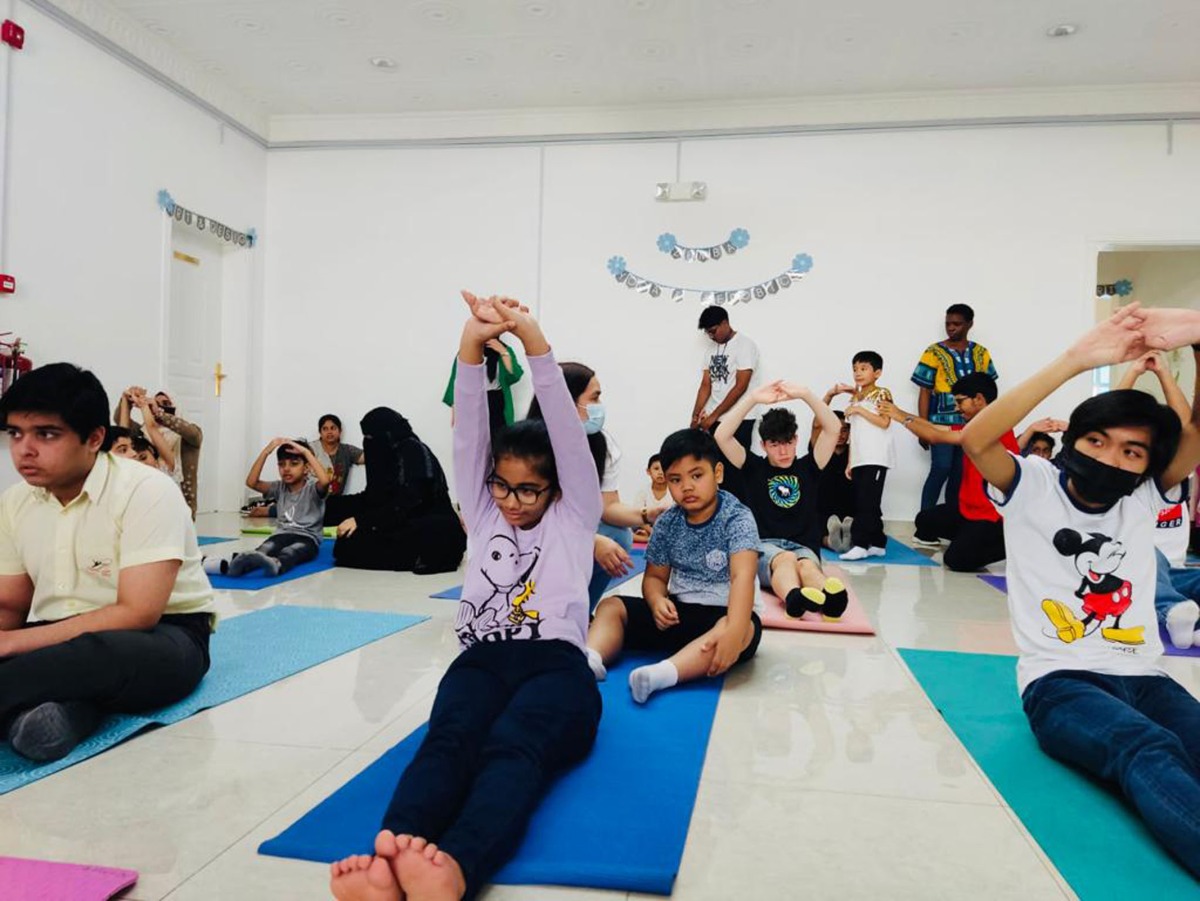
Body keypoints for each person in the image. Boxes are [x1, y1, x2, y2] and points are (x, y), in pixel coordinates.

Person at [327, 293, 601, 901]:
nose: (512, 501)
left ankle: (455, 866)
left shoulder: (575, 513)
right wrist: (469, 346)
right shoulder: (482, 512)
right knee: (449, 740)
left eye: (530, 491)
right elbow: (472, 434)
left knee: (512, 745)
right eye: (503, 486)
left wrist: (533, 341)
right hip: (482, 658)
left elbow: (562, 423)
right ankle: (393, 855)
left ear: (557, 487)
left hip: (557, 666)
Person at [960, 302, 1200, 878]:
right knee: (1146, 749)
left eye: (1131, 452)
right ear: (1076, 438)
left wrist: (1194, 346)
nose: (1110, 458)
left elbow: (1193, 433)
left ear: (1146, 466)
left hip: (1146, 677)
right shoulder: (1032, 485)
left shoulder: (1144, 495)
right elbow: (976, 438)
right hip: (1060, 683)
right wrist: (1076, 359)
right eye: (1097, 440)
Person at [0, 364, 214, 762]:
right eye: (15, 433)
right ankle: (55, 718)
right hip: (54, 637)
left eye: (46, 434)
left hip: (164, 637)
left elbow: (138, 613)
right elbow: (10, 605)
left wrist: (14, 643)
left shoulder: (147, 489)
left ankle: (34, 698)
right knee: (66, 665)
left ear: (94, 438)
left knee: (95, 656)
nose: (24, 450)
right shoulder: (15, 502)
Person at [587, 428, 762, 705]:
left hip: (723, 614)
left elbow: (743, 576)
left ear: (717, 473)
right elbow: (655, 577)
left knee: (743, 628)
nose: (687, 487)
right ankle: (591, 657)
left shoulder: (736, 517)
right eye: (676, 480)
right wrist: (656, 601)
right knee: (612, 606)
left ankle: (663, 674)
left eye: (697, 475)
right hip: (676, 615)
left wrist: (735, 631)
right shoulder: (668, 522)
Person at [527, 362, 663, 609]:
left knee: (620, 538)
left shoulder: (603, 446)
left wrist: (646, 515)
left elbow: (607, 507)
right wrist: (589, 541)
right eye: (595, 397)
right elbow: (530, 518)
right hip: (531, 534)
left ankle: (579, 610)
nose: (600, 406)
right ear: (566, 401)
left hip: (570, 529)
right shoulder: (529, 446)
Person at [715, 380, 850, 619]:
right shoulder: (752, 467)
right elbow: (721, 435)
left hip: (804, 546)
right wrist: (753, 398)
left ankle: (830, 599)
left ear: (796, 440)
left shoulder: (810, 466)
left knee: (806, 565)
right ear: (763, 445)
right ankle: (793, 598)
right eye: (775, 445)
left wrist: (806, 392)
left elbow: (832, 428)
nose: (784, 451)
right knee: (785, 559)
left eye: (788, 443)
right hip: (764, 546)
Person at [880, 373, 1018, 572]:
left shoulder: (992, 427)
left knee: (956, 561)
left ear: (979, 399)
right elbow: (934, 427)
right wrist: (899, 413)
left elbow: (935, 436)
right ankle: (969, 537)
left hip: (992, 518)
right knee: (925, 520)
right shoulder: (973, 425)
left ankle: (1010, 543)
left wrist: (900, 416)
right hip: (968, 511)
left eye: (960, 401)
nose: (956, 407)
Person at [331, 407, 466, 574]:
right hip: (402, 524)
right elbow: (374, 499)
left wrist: (361, 521)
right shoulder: (388, 453)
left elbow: (409, 502)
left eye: (370, 436)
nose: (368, 441)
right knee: (347, 542)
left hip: (430, 529)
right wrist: (324, 506)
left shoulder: (414, 452)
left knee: (349, 546)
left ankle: (416, 557)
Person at [911, 304, 998, 512]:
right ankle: (924, 525)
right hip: (940, 425)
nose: (951, 328)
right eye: (948, 324)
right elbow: (924, 391)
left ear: (969, 324)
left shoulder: (981, 353)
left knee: (961, 474)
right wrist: (923, 427)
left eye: (957, 324)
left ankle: (951, 525)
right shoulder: (934, 352)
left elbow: (988, 391)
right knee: (941, 468)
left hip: (972, 425)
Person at [211, 438, 331, 578]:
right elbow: (251, 482)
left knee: (292, 552)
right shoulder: (279, 487)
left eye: (294, 464)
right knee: (263, 550)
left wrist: (305, 452)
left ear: (306, 468)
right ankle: (232, 566)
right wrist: (266, 452)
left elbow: (325, 480)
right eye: (281, 464)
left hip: (307, 538)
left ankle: (277, 564)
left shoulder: (312, 488)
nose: (286, 468)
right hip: (281, 535)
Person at [830, 352, 894, 560]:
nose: (858, 373)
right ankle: (877, 542)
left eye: (863, 368)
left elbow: (885, 422)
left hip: (876, 457)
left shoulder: (882, 394)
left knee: (866, 503)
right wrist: (851, 461)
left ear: (877, 373)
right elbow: (855, 434)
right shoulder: (857, 398)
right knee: (866, 501)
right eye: (855, 369)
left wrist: (858, 409)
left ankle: (860, 544)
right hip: (860, 457)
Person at [116, 387, 200, 517]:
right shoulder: (144, 436)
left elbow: (153, 427)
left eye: (166, 404)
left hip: (179, 512)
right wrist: (126, 399)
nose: (138, 460)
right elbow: (122, 432)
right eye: (155, 403)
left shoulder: (188, 438)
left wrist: (157, 412)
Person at [690, 306, 760, 448]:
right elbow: (705, 385)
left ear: (725, 323)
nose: (711, 336)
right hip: (713, 418)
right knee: (716, 465)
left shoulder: (745, 345)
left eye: (713, 331)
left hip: (740, 417)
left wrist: (713, 416)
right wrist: (695, 417)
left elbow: (740, 387)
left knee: (737, 466)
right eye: (708, 333)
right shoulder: (710, 350)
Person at [442, 336, 524, 436]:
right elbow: (456, 379)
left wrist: (503, 352)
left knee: (499, 438)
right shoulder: (468, 350)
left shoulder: (504, 349)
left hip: (496, 401)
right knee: (474, 439)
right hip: (474, 400)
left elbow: (515, 376)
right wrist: (455, 407)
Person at [812, 408, 854, 552]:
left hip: (848, 509)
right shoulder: (821, 450)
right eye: (837, 430)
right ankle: (831, 541)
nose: (841, 435)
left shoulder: (854, 452)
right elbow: (816, 425)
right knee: (811, 526)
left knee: (861, 524)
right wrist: (830, 395)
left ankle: (846, 537)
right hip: (823, 509)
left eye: (845, 430)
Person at [314, 414, 364, 501]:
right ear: (320, 432)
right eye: (325, 429)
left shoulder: (347, 450)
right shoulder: (311, 449)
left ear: (340, 431)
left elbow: (370, 458)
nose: (329, 432)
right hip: (312, 502)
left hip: (334, 503)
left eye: (333, 428)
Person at [632, 453, 673, 543]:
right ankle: (647, 538)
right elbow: (638, 515)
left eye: (664, 469)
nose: (660, 472)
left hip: (666, 527)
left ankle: (645, 536)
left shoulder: (674, 492)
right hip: (646, 525)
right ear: (648, 471)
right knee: (627, 527)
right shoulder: (643, 492)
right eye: (656, 468)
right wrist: (652, 531)